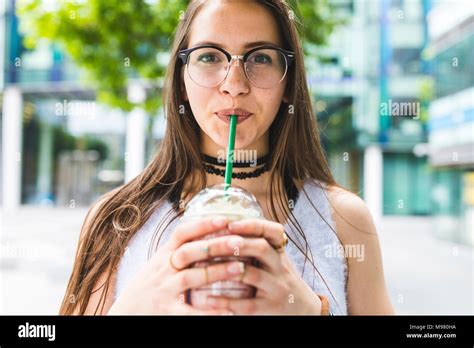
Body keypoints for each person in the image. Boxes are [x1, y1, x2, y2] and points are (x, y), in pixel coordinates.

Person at [60, 0, 394, 315]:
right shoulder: (117, 220)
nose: (234, 85)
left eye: (260, 58)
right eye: (209, 57)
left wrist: (311, 311)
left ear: (288, 82)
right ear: (180, 81)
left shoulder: (345, 221)